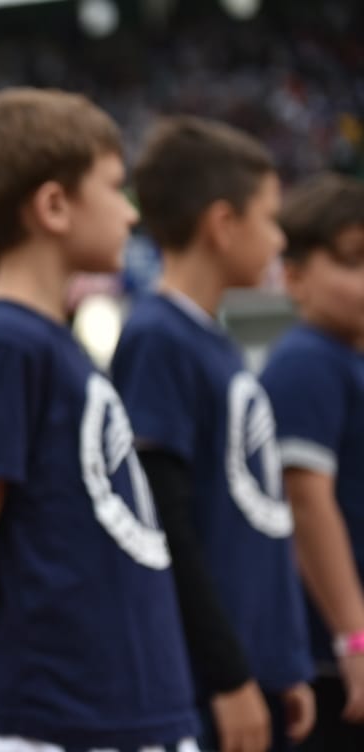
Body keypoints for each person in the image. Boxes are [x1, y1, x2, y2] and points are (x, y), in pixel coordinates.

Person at [0, 87, 199, 751]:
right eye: (115, 188)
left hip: (127, 707)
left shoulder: (55, 341)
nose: (130, 213)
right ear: (54, 205)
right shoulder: (3, 341)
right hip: (53, 717)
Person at [111, 115, 314, 752]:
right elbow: (167, 523)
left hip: (260, 667)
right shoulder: (156, 339)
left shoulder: (209, 338)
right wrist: (228, 676)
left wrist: (285, 660)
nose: (280, 239)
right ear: (223, 224)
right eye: (269, 218)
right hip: (214, 685)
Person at [259, 172, 364, 752]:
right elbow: (307, 503)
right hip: (331, 662)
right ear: (295, 277)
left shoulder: (347, 358)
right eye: (353, 261)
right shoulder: (307, 362)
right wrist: (355, 641)